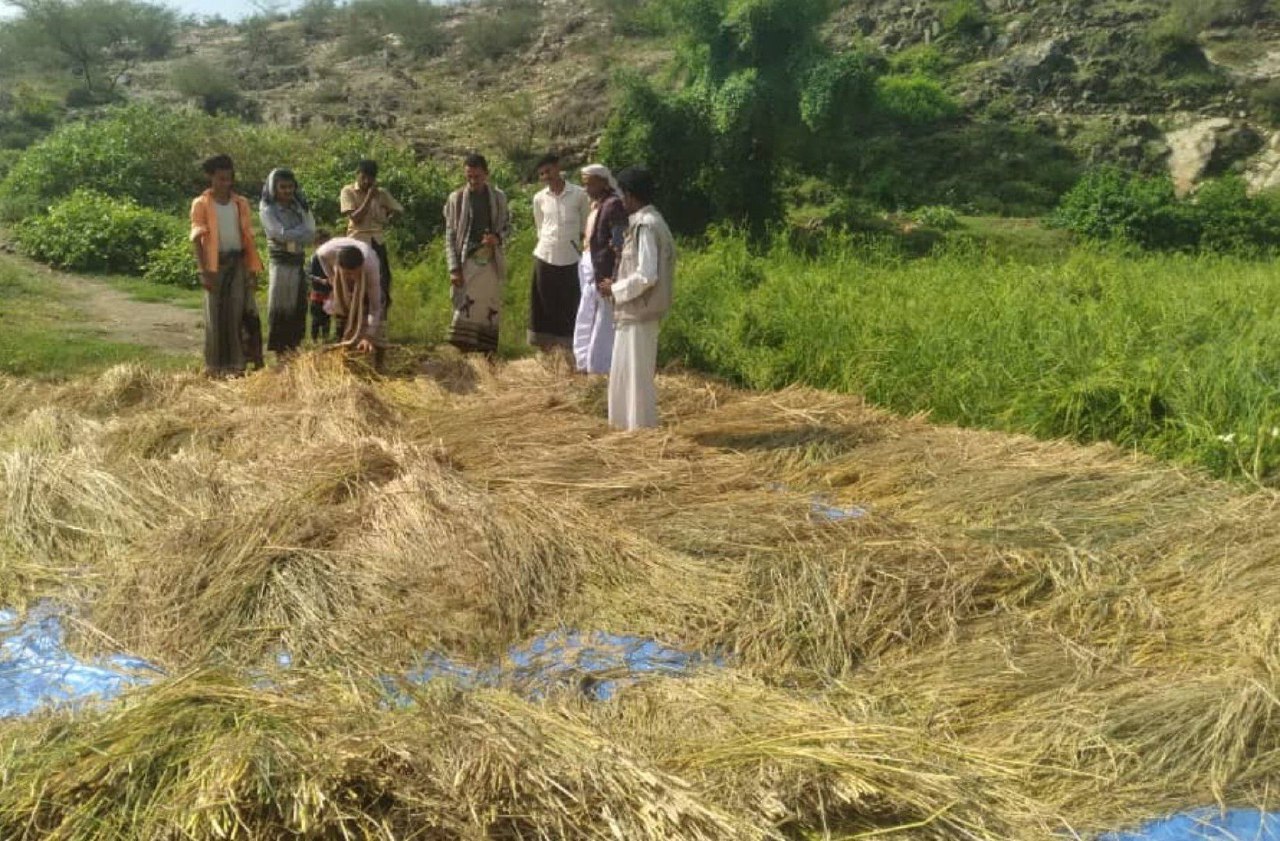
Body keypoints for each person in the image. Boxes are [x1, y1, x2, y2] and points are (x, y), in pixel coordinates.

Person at [599, 167, 675, 431]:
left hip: (639, 312)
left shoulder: (646, 225)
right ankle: (626, 428)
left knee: (636, 378)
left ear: (630, 195)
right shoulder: (651, 222)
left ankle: (640, 431)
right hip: (634, 313)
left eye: (622, 194)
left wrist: (615, 289)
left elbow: (646, 275)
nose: (621, 200)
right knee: (626, 374)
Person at [189, 154, 265, 378]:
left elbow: (248, 238)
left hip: (238, 262)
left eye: (229, 179)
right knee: (215, 315)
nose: (225, 183)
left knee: (237, 314)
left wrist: (252, 270)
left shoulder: (240, 203)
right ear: (211, 177)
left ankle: (237, 364)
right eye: (221, 179)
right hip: (215, 265)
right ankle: (214, 366)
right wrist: (203, 271)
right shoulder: (201, 203)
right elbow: (197, 239)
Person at [443, 153, 511, 355]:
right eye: (469, 177)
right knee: (464, 309)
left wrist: (497, 238)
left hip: (490, 261)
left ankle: (486, 357)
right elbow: (450, 236)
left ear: (486, 174)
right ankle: (464, 357)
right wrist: (454, 268)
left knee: (488, 307)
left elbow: (507, 226)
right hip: (467, 261)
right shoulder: (456, 199)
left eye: (477, 177)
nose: (473, 181)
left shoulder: (498, 198)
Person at [529, 152, 590, 353]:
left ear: (558, 168)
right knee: (544, 303)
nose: (546, 176)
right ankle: (546, 350)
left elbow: (585, 227)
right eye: (542, 174)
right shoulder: (539, 198)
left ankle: (569, 349)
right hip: (545, 256)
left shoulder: (579, 195)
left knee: (569, 303)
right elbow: (540, 227)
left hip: (571, 258)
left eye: (548, 171)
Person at [572, 164, 628, 375]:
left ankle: (599, 368)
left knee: (603, 319)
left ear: (603, 182)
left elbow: (619, 244)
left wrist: (613, 276)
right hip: (589, 265)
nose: (586, 189)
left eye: (590, 184)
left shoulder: (613, 205)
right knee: (586, 314)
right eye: (584, 184)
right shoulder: (598, 205)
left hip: (603, 269)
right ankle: (583, 362)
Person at [260, 168, 316, 357]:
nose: (287, 191)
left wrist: (291, 234)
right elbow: (278, 233)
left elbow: (311, 233)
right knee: (280, 305)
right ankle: (279, 353)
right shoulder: (267, 208)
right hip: (280, 261)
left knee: (298, 305)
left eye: (290, 187)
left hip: (297, 260)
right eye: (283, 187)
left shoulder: (300, 205)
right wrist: (299, 233)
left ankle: (294, 350)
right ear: (274, 188)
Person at [340, 159, 403, 312]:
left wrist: (386, 216)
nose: (367, 181)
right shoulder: (348, 191)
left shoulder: (381, 193)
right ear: (357, 174)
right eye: (364, 177)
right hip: (357, 240)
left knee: (383, 279)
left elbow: (399, 210)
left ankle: (380, 314)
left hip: (377, 240)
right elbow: (355, 217)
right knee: (357, 280)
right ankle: (355, 312)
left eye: (370, 178)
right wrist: (369, 198)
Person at [313, 236, 385, 364]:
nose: (351, 277)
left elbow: (375, 307)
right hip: (337, 265)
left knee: (370, 307)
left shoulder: (371, 268)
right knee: (342, 308)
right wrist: (332, 277)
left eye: (353, 273)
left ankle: (377, 355)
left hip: (367, 264)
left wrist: (368, 336)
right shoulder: (325, 253)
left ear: (360, 267)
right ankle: (345, 345)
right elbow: (320, 256)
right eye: (347, 274)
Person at [308, 229, 333, 343]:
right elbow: (309, 274)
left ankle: (325, 339)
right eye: (322, 243)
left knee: (327, 318)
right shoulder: (314, 258)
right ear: (316, 244)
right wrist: (321, 280)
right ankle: (314, 340)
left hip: (328, 293)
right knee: (316, 319)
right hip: (317, 293)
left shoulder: (330, 258)